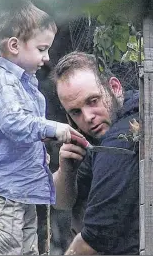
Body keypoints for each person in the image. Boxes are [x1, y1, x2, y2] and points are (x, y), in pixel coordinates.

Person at [0, 0, 83, 255]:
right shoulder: (3, 84)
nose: (47, 58)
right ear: (14, 46)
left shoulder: (25, 85)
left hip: (22, 191)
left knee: (29, 251)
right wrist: (53, 129)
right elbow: (15, 123)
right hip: (2, 195)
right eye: (42, 49)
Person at [51, 51, 140, 255]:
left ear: (115, 88)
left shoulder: (123, 135)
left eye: (93, 101)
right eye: (76, 112)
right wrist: (67, 171)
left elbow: (93, 239)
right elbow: (60, 202)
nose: (88, 117)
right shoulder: (98, 137)